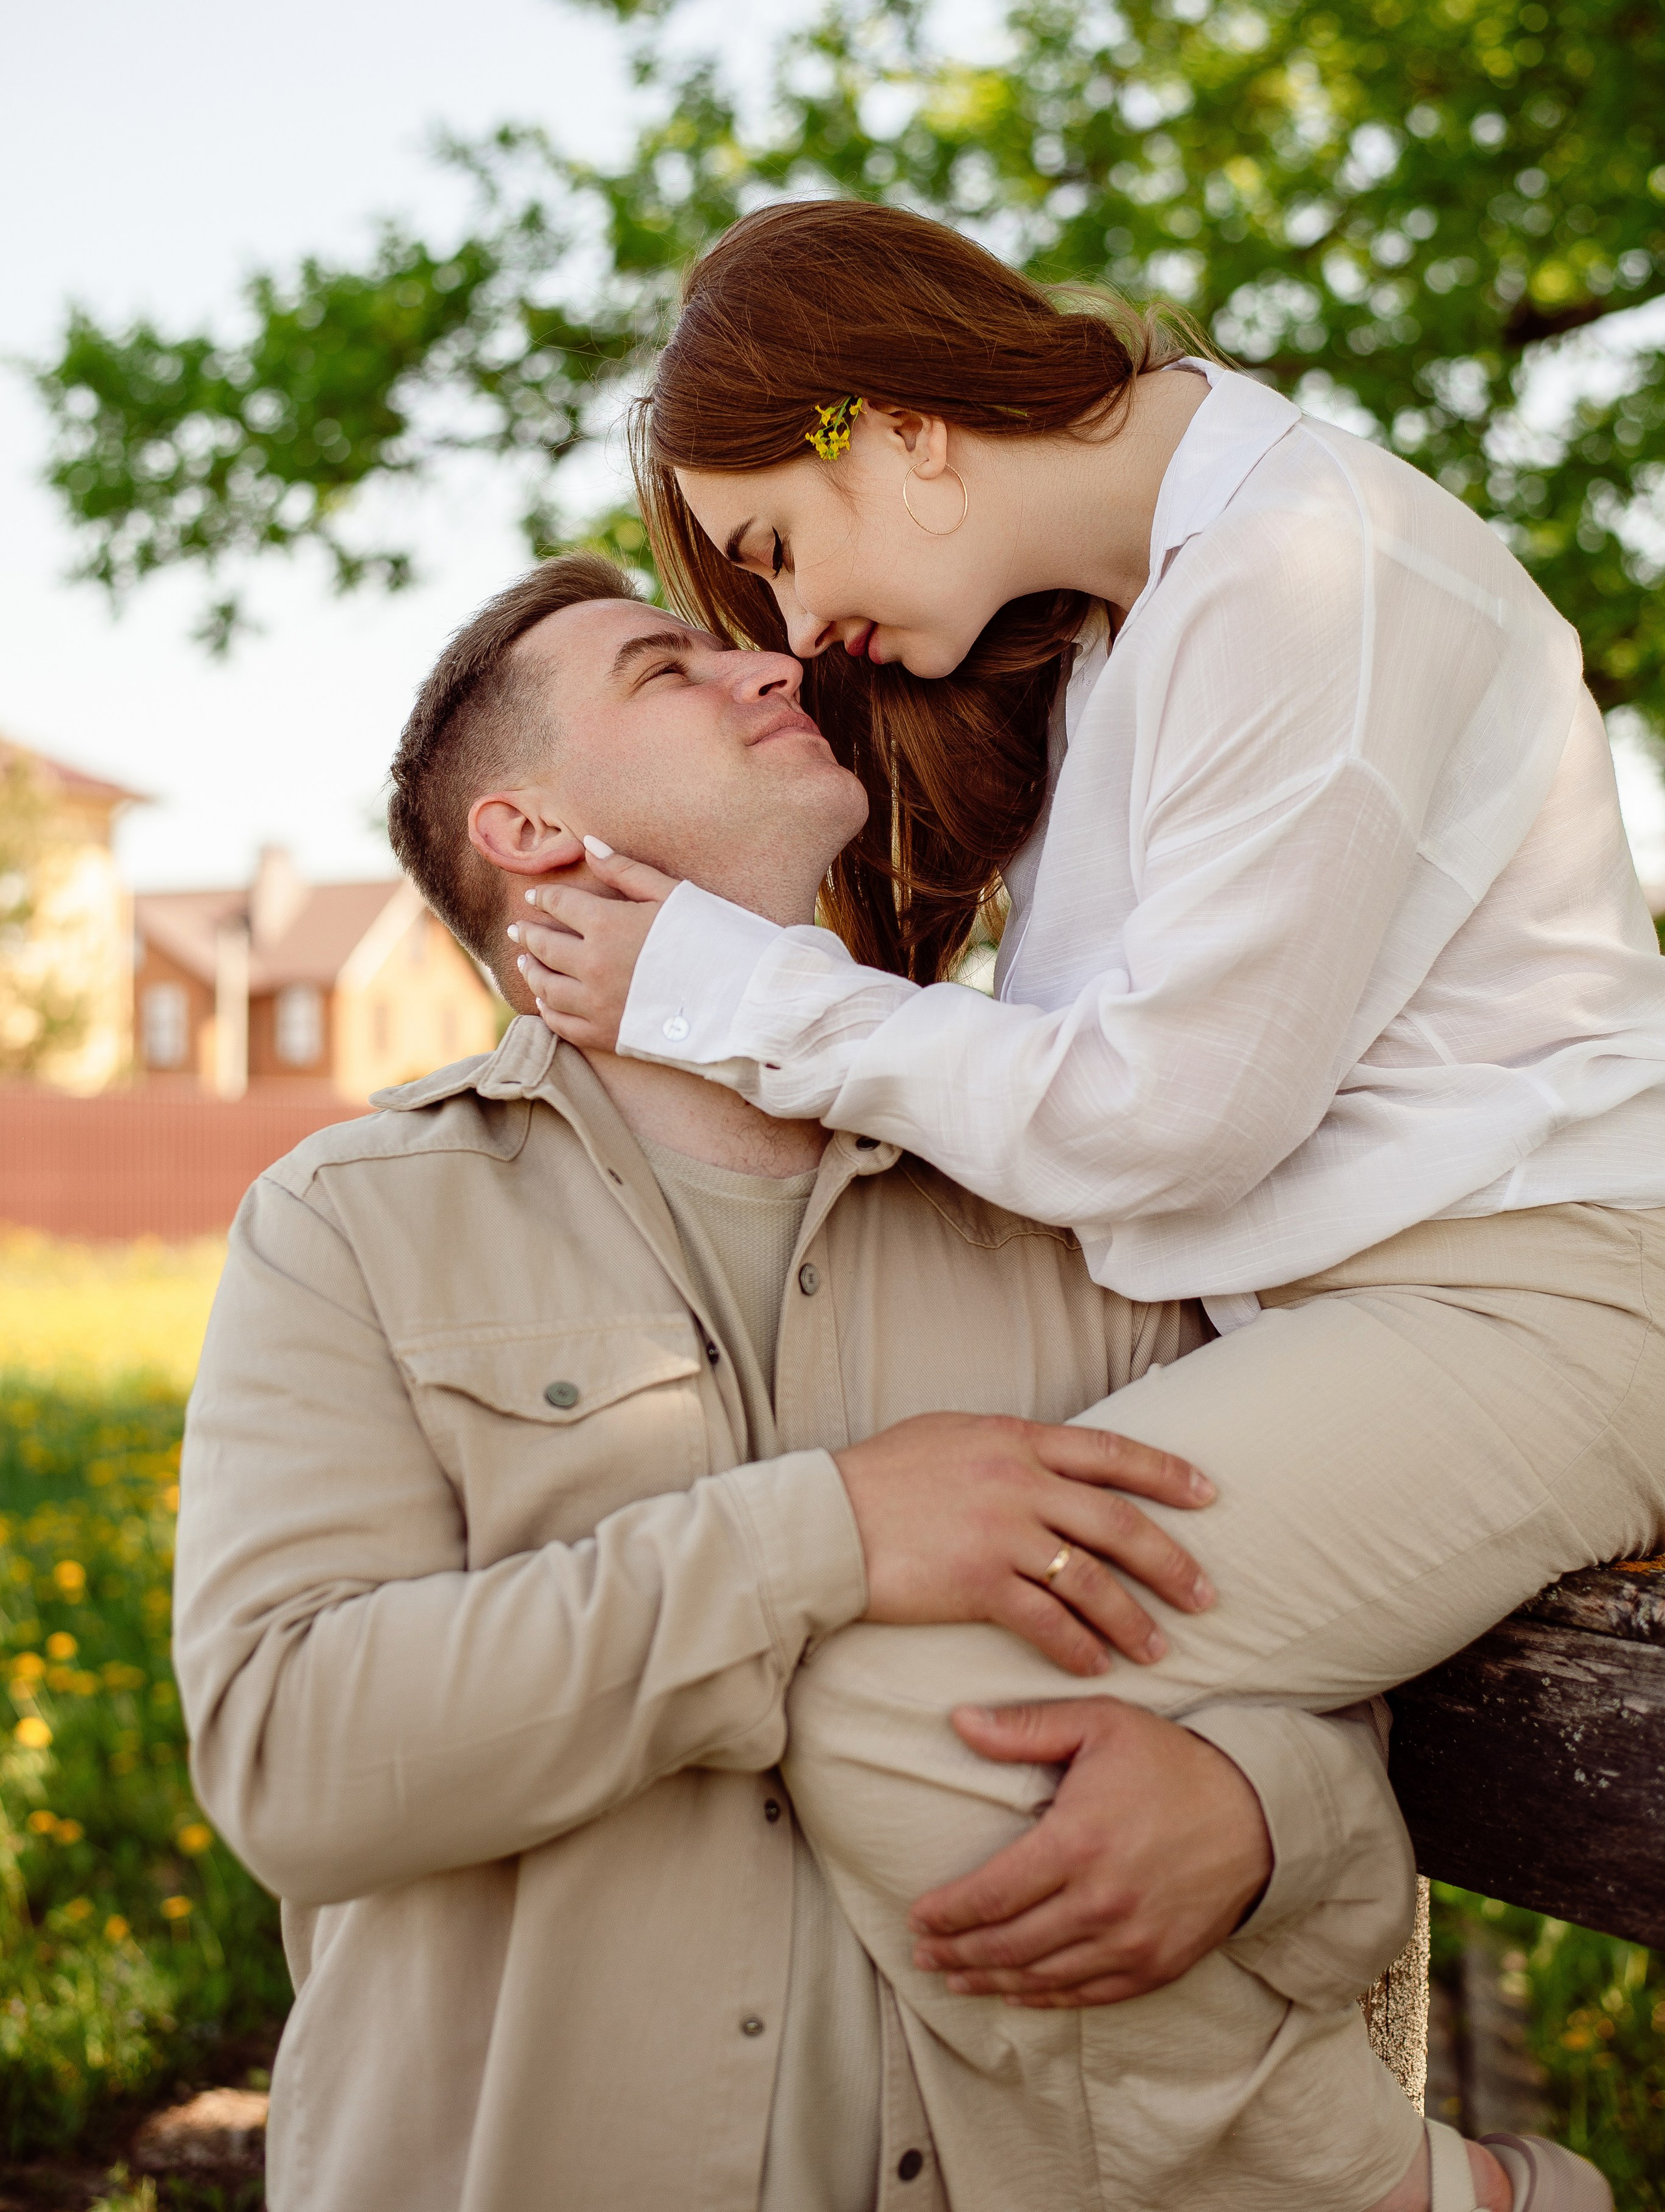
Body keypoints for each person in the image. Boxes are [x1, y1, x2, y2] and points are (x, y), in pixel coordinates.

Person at [509, 198, 1665, 2212]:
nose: (794, 627)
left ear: (898, 431)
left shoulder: (1317, 564)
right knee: (877, 1645)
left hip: (1539, 1300)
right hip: (1359, 1331)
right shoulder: (1143, 624)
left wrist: (738, 989)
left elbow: (1165, 1123)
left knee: (905, 1706)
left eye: (777, 544)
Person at [172, 555, 1424, 2212]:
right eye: (665, 669)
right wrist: (829, 1532)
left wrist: (1258, 1814)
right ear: (527, 829)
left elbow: (1299, 1651)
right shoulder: (352, 1222)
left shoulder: (1065, 1209)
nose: (771, 670)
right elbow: (292, 1757)